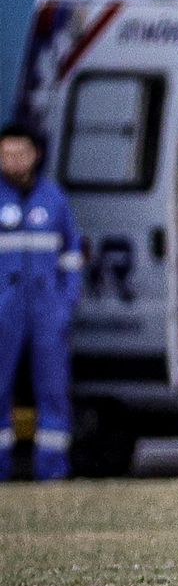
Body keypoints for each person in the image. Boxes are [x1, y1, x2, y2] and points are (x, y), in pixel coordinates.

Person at [0, 122, 83, 481]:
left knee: (52, 391)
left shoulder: (53, 200)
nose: (14, 160)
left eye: (20, 152)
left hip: (47, 312)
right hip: (4, 313)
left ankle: (52, 474)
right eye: (6, 153)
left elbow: (72, 258)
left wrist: (65, 305)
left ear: (35, 154)